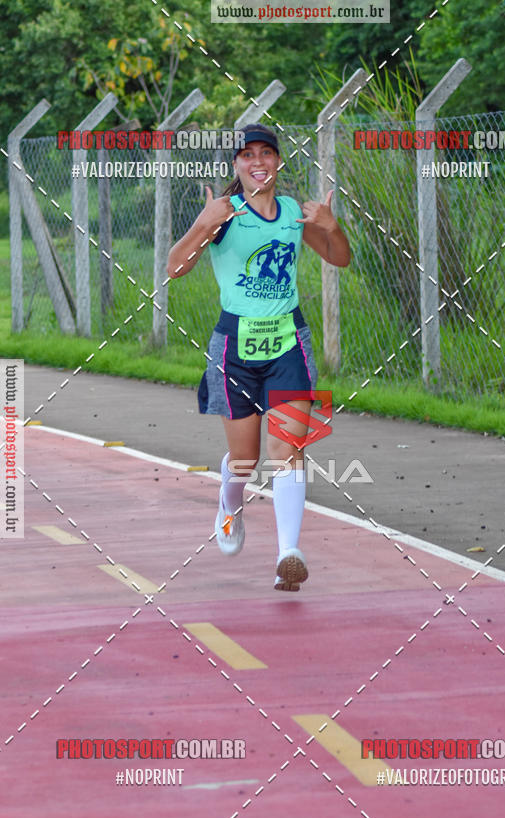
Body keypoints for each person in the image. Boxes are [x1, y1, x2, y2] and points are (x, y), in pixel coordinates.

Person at [167, 123, 350, 591]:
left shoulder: (293, 212)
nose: (257, 162)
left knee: (288, 449)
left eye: (265, 153)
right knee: (245, 460)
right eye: (247, 155)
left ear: (277, 161)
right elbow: (175, 267)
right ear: (236, 166)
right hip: (235, 348)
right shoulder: (223, 215)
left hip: (289, 342)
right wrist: (204, 224)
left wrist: (331, 226)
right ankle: (229, 506)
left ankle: (288, 552)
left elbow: (339, 258)